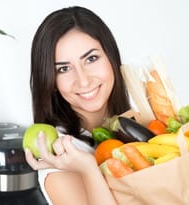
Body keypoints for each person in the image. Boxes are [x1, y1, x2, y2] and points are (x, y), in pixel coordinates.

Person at [24, 6, 131, 205]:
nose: (83, 81)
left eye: (91, 59)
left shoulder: (139, 124)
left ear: (111, 57)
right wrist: (88, 169)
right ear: (50, 81)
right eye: (63, 69)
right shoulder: (58, 160)